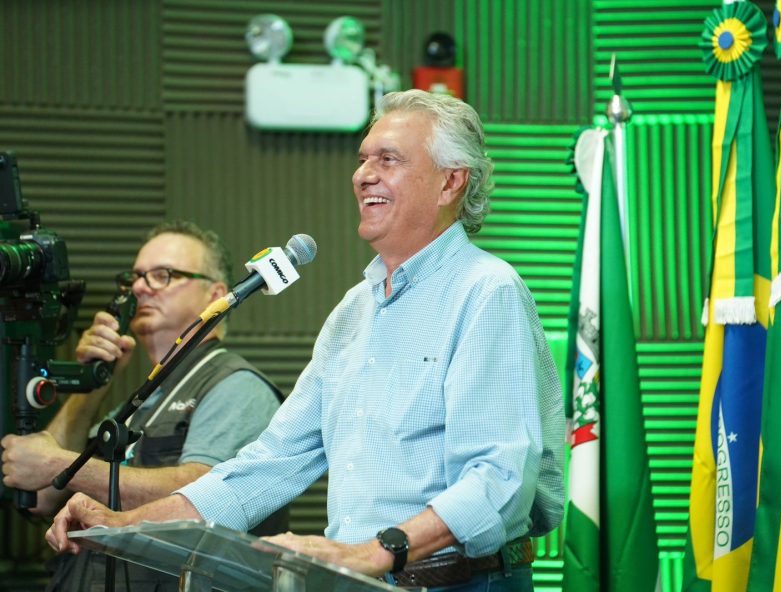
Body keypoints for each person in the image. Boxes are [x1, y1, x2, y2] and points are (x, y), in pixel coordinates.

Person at [45, 90, 565, 592]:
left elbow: (499, 480)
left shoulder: (486, 291)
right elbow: (268, 465)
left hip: (465, 584)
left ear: (451, 181)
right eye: (363, 159)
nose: (363, 175)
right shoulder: (352, 313)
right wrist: (125, 524)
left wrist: (371, 552)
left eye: (389, 159)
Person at [1, 220, 284, 590]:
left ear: (215, 294)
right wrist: (93, 383)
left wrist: (60, 464)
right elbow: (41, 492)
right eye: (134, 277)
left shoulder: (235, 384)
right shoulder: (141, 400)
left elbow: (203, 494)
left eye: (163, 275)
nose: (138, 288)